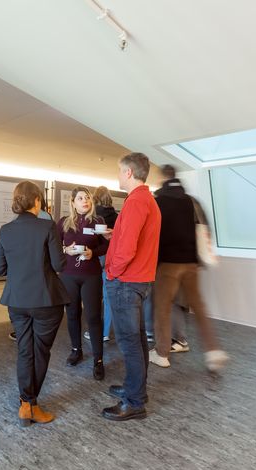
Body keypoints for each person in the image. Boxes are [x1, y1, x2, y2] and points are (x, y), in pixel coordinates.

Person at [0, 181, 68, 426]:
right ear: (37, 200)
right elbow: (58, 265)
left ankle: (26, 402)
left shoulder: (5, 230)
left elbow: (0, 268)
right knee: (40, 351)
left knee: (25, 350)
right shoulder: (47, 226)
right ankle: (30, 404)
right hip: (46, 300)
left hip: (17, 300)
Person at [150, 165, 228, 372]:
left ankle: (162, 353)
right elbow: (205, 231)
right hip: (190, 264)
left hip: (167, 264)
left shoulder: (158, 202)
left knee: (163, 308)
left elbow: (153, 236)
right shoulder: (192, 201)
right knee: (199, 307)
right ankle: (213, 351)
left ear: (162, 178)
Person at [101, 152, 161, 421]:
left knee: (130, 344)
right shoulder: (146, 200)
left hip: (126, 281)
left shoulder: (136, 202)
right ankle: (135, 390)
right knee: (135, 340)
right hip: (138, 279)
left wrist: (112, 272)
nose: (117, 175)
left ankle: (134, 402)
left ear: (128, 173)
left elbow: (128, 249)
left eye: (118, 170)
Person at [57, 187, 109, 379]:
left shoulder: (98, 222)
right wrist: (65, 250)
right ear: (72, 202)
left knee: (94, 316)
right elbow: (54, 245)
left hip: (91, 275)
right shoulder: (63, 223)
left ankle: (98, 360)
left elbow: (106, 245)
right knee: (72, 314)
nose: (85, 201)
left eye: (87, 198)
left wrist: (93, 253)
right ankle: (76, 350)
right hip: (68, 275)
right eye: (80, 198)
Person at [92, 186, 118, 343]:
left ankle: (95, 329)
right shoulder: (116, 216)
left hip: (96, 256)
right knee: (108, 296)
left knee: (94, 295)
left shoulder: (93, 215)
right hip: (111, 257)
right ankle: (105, 332)